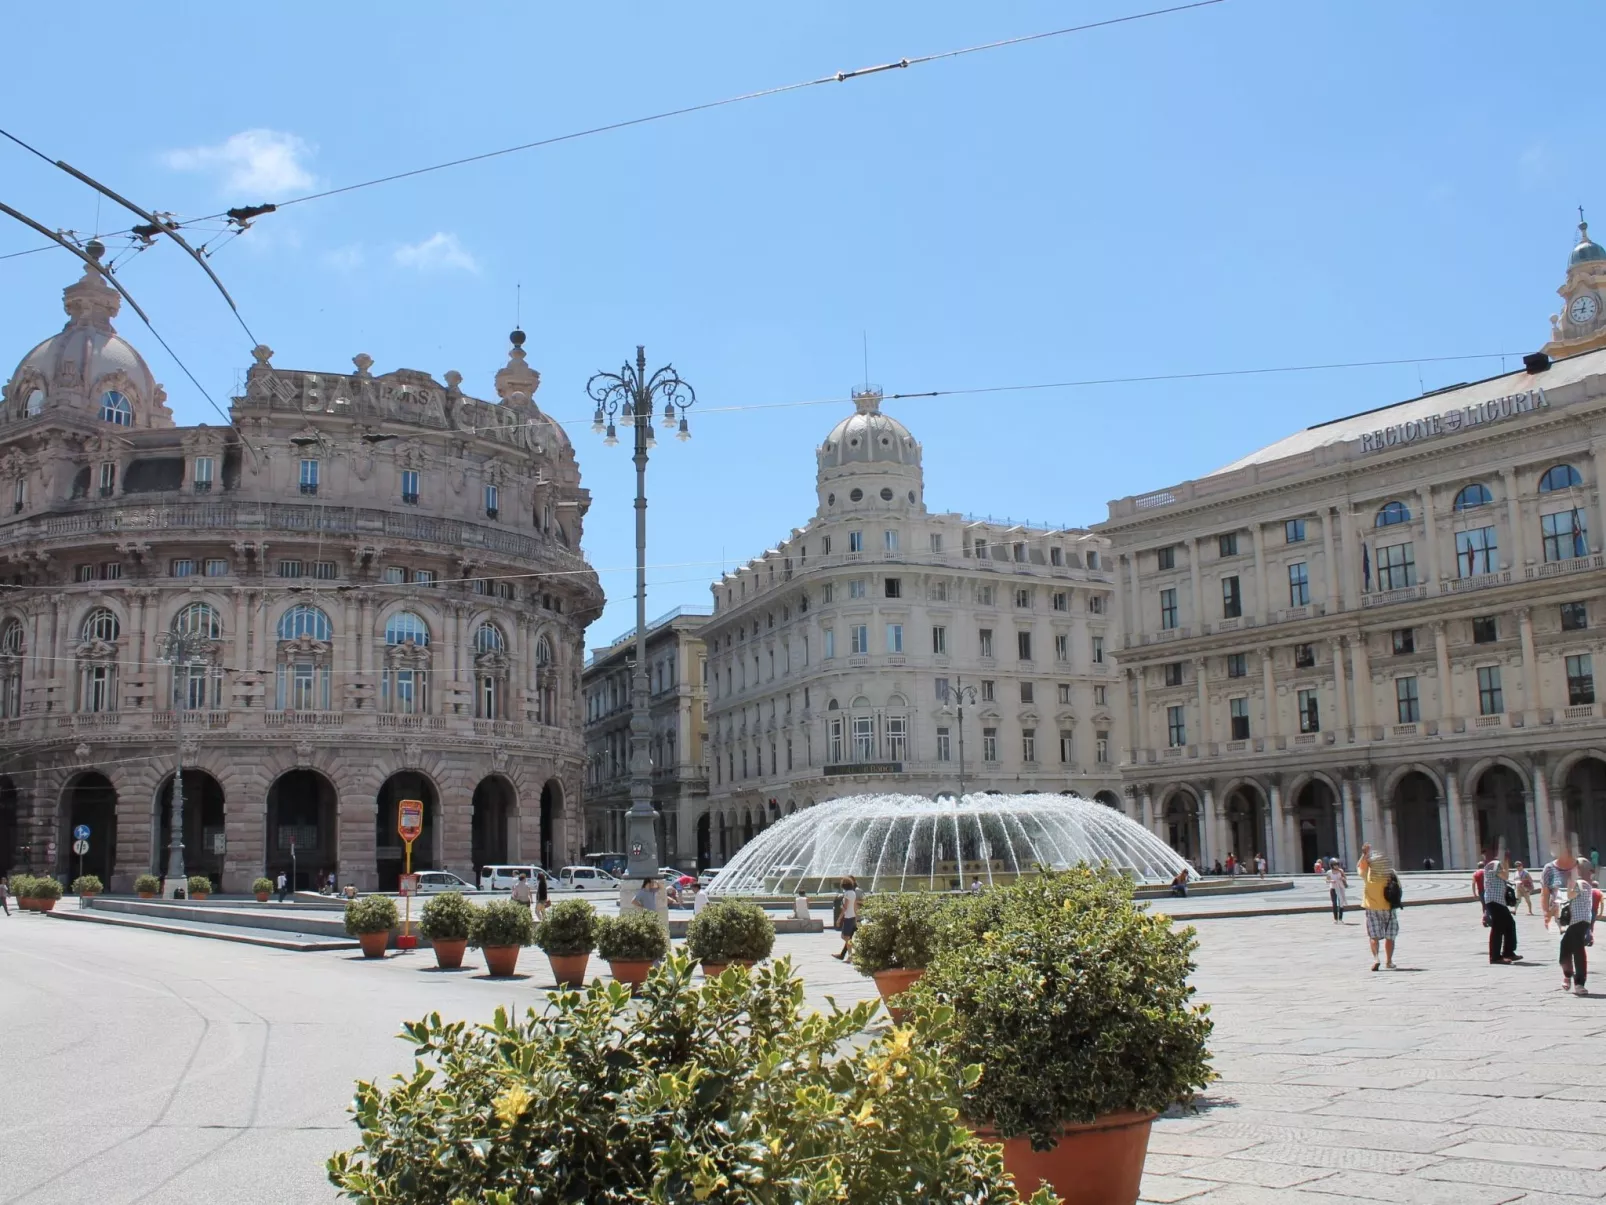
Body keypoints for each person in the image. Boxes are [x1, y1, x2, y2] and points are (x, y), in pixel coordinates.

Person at [1357, 844, 1399, 970]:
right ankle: (1389, 961)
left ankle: (1376, 958)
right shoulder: (1391, 873)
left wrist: (1364, 854)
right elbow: (1398, 889)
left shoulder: (1368, 873)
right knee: (1390, 936)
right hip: (1389, 908)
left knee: (1373, 936)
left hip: (1372, 908)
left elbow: (1359, 866)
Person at [1482, 856, 1518, 964]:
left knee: (1510, 924)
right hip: (1494, 900)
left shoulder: (1496, 865)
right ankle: (1495, 957)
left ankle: (1508, 952)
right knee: (1498, 928)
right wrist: (1506, 865)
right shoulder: (1494, 864)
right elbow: (1505, 876)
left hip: (1499, 901)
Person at [831, 876, 859, 960]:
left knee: (845, 937)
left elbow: (845, 907)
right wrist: (856, 917)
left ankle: (855, 951)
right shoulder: (853, 893)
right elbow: (855, 906)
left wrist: (839, 919)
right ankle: (850, 956)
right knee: (846, 937)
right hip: (852, 917)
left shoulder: (847, 894)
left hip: (848, 917)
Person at [1325, 858, 1348, 923]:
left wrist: (1342, 878)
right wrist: (1331, 881)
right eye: (1334, 865)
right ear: (1332, 865)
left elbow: (1345, 878)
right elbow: (1327, 880)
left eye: (1337, 865)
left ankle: (1340, 918)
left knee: (1341, 902)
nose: (1336, 866)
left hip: (1340, 888)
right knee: (1334, 903)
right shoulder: (1329, 872)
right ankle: (1335, 919)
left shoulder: (1341, 871)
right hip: (1333, 888)